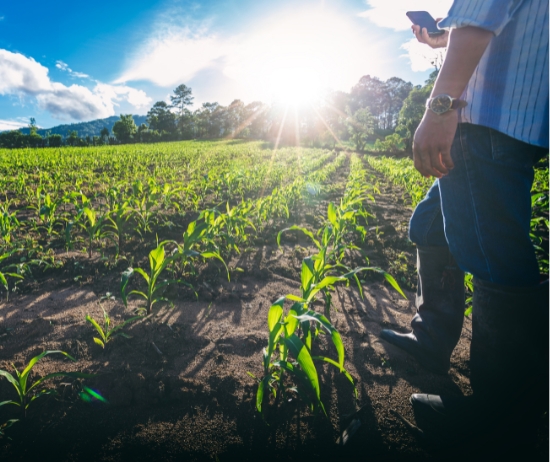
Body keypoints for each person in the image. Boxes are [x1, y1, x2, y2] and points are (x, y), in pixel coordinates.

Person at [379, 0, 549, 450]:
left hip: (484, 120)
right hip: (509, 119)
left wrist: (440, 107)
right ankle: (431, 335)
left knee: (494, 256)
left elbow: (478, 16)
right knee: (431, 225)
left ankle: (503, 415)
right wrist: (439, 38)